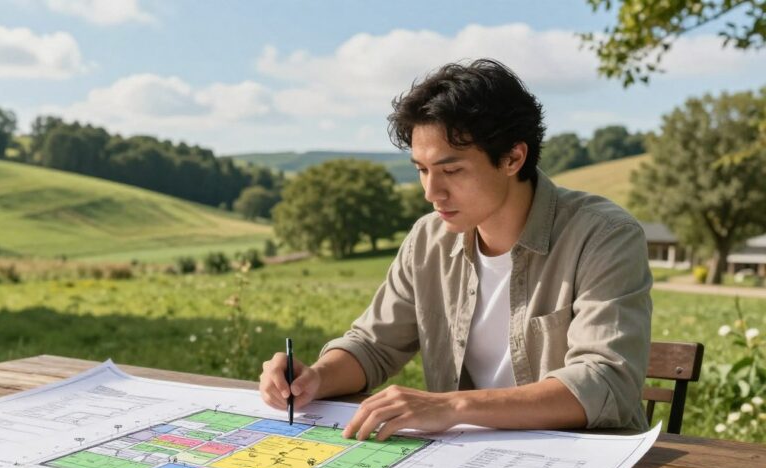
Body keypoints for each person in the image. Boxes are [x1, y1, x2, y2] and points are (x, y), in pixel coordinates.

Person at [259, 59, 652, 439]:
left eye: (451, 170)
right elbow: (373, 346)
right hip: (468, 463)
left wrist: (452, 407)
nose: (432, 192)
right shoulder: (428, 239)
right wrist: (316, 377)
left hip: (585, 465)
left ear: (514, 157)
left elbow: (605, 383)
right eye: (421, 170)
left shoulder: (603, 235)